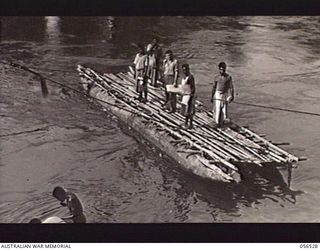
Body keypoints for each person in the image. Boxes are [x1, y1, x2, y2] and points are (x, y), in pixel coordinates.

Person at [210, 62, 234, 127]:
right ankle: (216, 122)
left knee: (224, 109)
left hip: (224, 94)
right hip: (217, 93)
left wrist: (232, 96)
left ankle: (223, 122)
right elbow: (214, 87)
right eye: (220, 69)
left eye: (223, 70)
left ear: (225, 69)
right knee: (217, 108)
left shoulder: (228, 77)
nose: (222, 71)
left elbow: (231, 87)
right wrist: (212, 96)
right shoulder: (216, 77)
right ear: (219, 69)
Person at [180, 64, 196, 129]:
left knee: (189, 110)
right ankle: (186, 122)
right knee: (186, 110)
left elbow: (193, 87)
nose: (184, 71)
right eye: (183, 70)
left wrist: (191, 95)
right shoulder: (184, 77)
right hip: (185, 94)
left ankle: (190, 124)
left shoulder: (190, 77)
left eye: (185, 70)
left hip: (189, 95)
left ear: (188, 69)